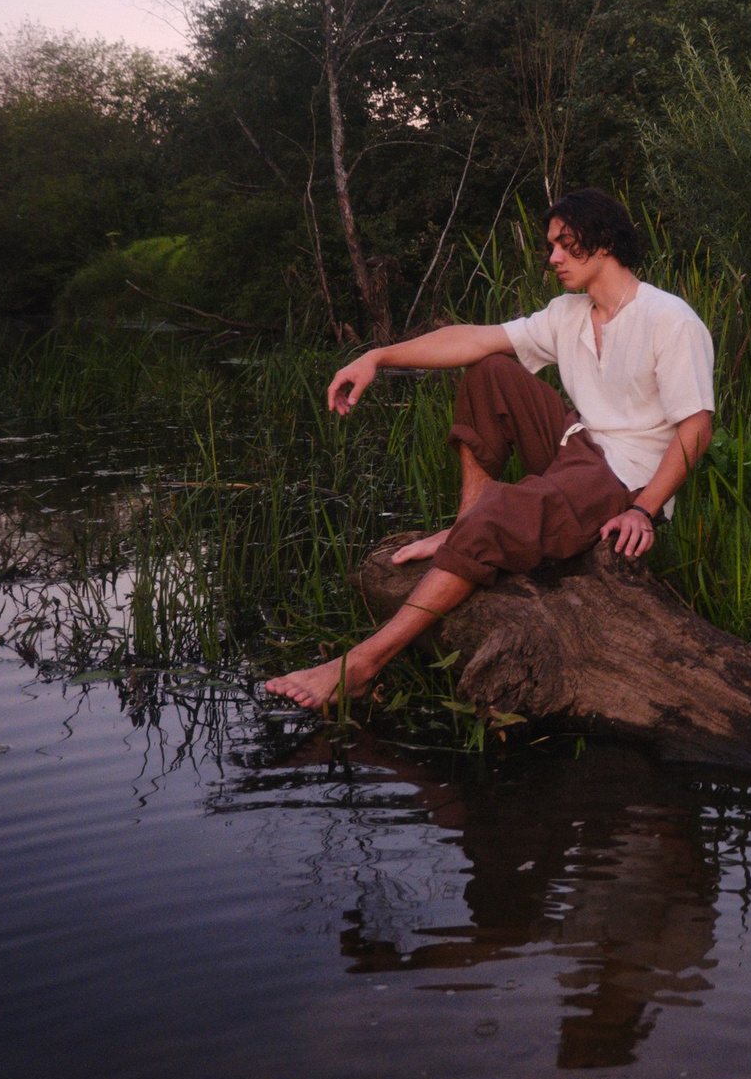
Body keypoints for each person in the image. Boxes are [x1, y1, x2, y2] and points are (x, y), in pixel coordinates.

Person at [261, 188, 715, 708]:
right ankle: (466, 523)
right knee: (490, 372)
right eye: (551, 246)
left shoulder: (669, 319)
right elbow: (472, 339)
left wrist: (643, 510)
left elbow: (696, 429)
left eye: (565, 244)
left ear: (605, 242)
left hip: (624, 477)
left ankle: (363, 662)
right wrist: (378, 356)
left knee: (503, 513)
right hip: (579, 446)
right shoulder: (568, 314)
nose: (553, 258)